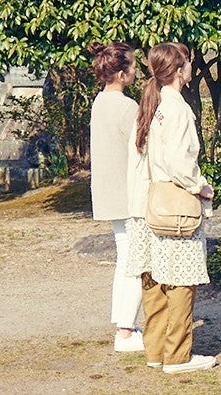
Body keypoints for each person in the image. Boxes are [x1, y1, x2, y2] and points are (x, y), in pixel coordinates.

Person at [125, 42, 216, 372]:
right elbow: (178, 160)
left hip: (146, 206)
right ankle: (178, 356)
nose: (191, 68)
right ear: (179, 71)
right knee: (180, 280)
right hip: (173, 205)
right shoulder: (176, 108)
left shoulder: (151, 104)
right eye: (188, 63)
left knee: (153, 279)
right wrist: (199, 185)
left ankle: (156, 351)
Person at [87, 42, 147, 353]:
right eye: (134, 67)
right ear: (122, 74)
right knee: (134, 261)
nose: (137, 71)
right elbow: (142, 149)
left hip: (108, 191)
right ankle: (124, 332)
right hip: (128, 192)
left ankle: (124, 325)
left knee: (125, 258)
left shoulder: (99, 102)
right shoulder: (126, 107)